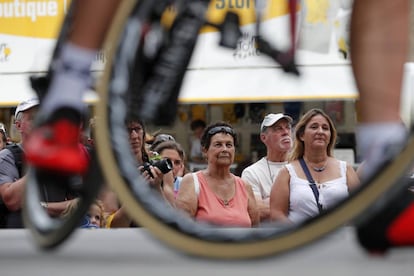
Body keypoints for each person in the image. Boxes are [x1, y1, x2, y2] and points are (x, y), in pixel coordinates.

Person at [269, 108, 360, 224]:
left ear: (330, 136)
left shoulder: (346, 169)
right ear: (302, 135)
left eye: (325, 128)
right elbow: (277, 214)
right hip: (303, 240)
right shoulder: (287, 173)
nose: (320, 131)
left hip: (339, 238)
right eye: (314, 127)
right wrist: (300, 234)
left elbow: (360, 207)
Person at [175, 121, 259, 227]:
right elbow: (182, 228)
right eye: (218, 145)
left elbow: (255, 228)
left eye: (229, 145)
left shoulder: (245, 186)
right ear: (205, 151)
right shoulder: (192, 182)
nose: (224, 149)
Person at [241, 113, 293, 222]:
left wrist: (271, 201)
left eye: (288, 127)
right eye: (278, 129)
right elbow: (259, 211)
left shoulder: (303, 166)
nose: (285, 132)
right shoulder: (251, 172)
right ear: (264, 137)